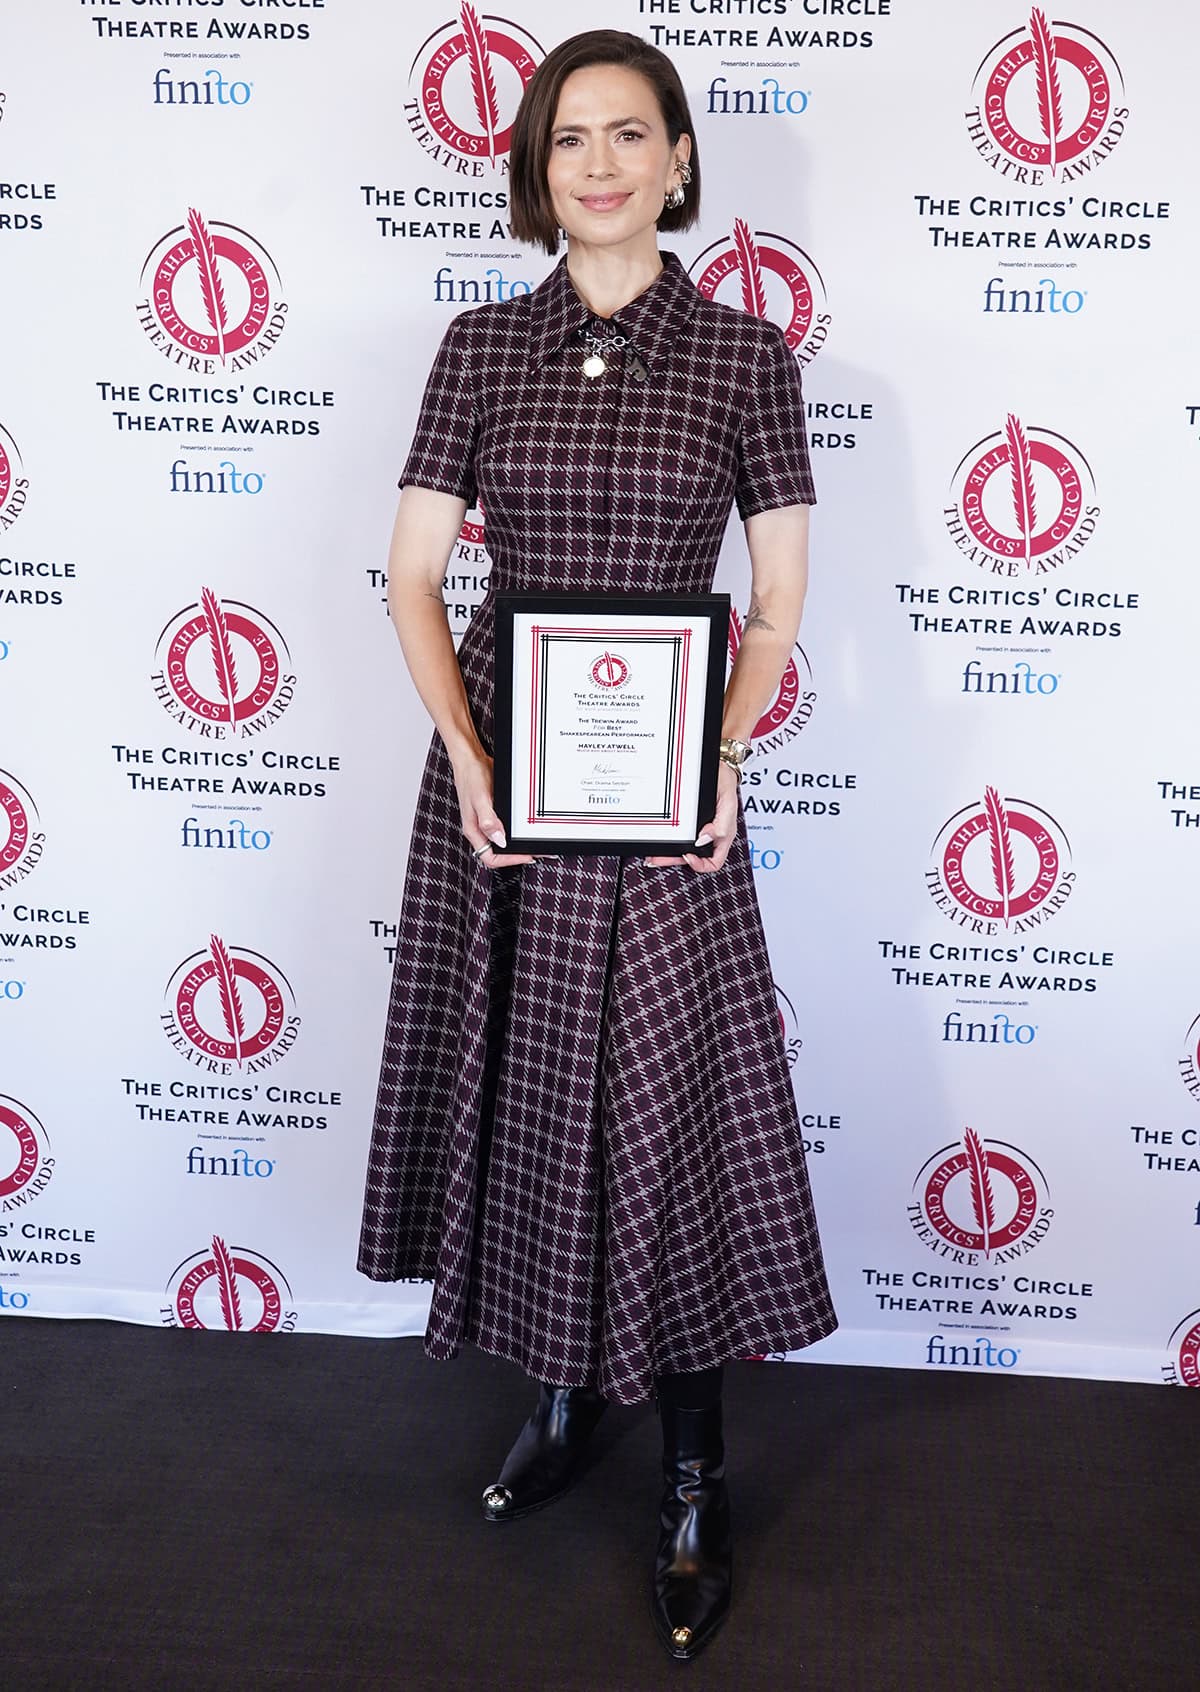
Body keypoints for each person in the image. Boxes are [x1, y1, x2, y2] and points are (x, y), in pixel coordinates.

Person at [357, 28, 835, 1662]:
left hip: (669, 785)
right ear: (536, 168)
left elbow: (777, 600)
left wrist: (726, 756)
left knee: (669, 1111)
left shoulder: (747, 356)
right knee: (537, 1089)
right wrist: (467, 753)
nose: (602, 164)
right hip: (513, 779)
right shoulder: (481, 347)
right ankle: (566, 1392)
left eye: (632, 134)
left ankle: (694, 1472)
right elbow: (415, 577)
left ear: (681, 159)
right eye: (571, 139)